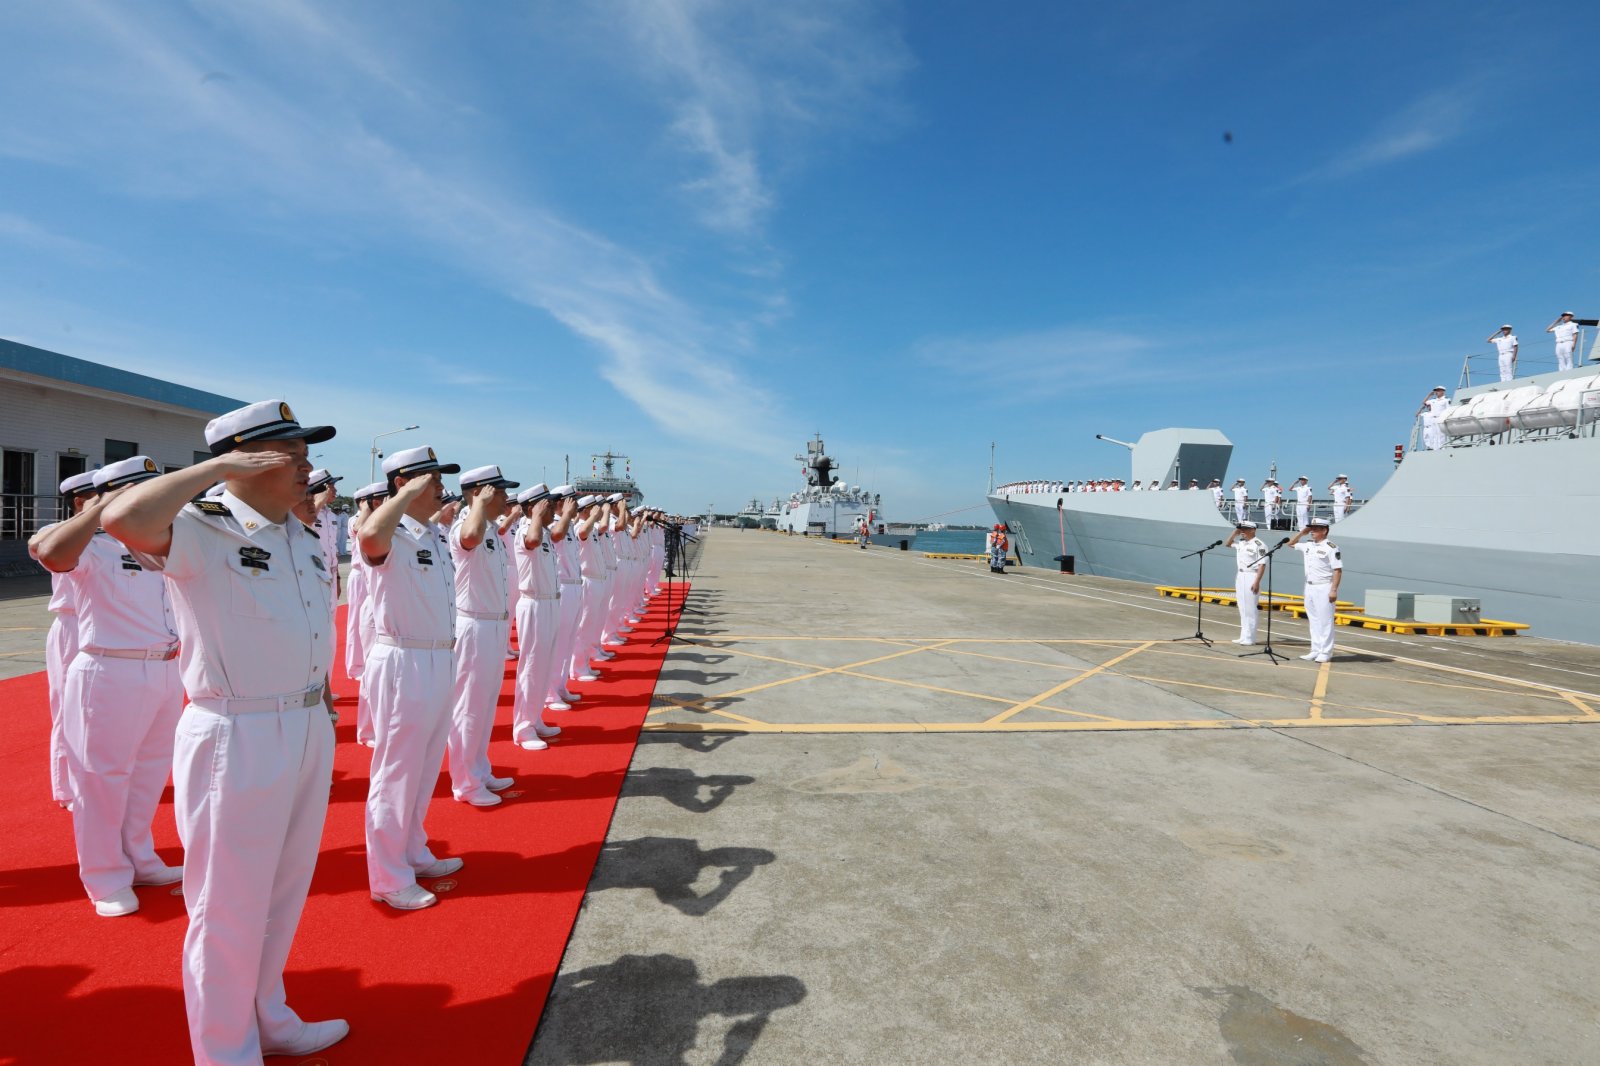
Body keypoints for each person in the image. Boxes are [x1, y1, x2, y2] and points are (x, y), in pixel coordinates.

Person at [102, 399, 348, 1063]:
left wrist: (319, 703)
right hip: (235, 736)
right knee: (226, 909)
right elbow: (120, 517)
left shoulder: (300, 534)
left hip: (303, 727)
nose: (305, 466)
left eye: (304, 453)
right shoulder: (203, 529)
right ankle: (225, 1052)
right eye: (290, 454)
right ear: (245, 459)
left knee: (283, 892)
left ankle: (269, 1016)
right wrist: (214, 470)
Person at [33, 456, 183, 918]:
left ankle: (138, 857)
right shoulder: (92, 547)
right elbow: (48, 549)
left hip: (164, 669)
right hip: (108, 671)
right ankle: (104, 876)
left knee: (147, 775)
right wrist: (99, 510)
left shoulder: (164, 545)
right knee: (102, 779)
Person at [358, 444, 465, 912]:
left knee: (424, 767)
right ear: (406, 483)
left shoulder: (433, 535)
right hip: (403, 662)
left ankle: (412, 847)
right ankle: (387, 873)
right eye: (433, 480)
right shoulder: (391, 531)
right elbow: (367, 538)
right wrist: (402, 496)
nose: (442, 488)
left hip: (439, 659)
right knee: (396, 770)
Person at [447, 464, 520, 805]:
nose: (505, 498)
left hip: (493, 623)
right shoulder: (468, 524)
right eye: (499, 491)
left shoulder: (490, 528)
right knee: (468, 707)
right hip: (474, 624)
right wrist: (477, 504)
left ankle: (479, 768)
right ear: (480, 493)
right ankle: (465, 782)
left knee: (486, 705)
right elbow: (469, 538)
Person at [27, 471, 98, 809]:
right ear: (80, 501)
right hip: (72, 627)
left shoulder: (114, 537)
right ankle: (67, 786)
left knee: (101, 711)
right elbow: (38, 546)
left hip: (105, 626)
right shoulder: (55, 533)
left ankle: (99, 777)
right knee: (67, 708)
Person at [511, 485, 566, 751]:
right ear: (533, 508)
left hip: (549, 603)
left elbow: (553, 535)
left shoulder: (543, 532)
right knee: (531, 667)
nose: (553, 509)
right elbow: (531, 542)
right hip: (533, 604)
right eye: (547, 505)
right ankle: (523, 728)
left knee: (544, 665)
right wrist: (534, 517)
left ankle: (534, 718)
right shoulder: (526, 530)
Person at [1287, 515, 1342, 663]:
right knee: (1314, 620)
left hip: (1324, 586)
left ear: (1324, 530)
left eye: (1315, 529)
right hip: (1309, 586)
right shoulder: (1308, 545)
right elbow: (1290, 544)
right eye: (1312, 529)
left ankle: (1326, 652)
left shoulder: (1331, 547)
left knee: (1325, 621)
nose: (1312, 532)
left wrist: (1334, 590)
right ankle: (1315, 649)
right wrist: (1302, 533)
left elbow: (1337, 570)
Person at [1224, 520, 1267, 646]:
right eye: (1241, 529)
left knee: (1250, 608)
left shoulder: (1259, 545)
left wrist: (1257, 581)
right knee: (1242, 607)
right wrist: (1235, 532)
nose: (1242, 531)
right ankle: (1243, 635)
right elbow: (1228, 544)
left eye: (1244, 529)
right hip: (1240, 575)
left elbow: (1262, 565)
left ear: (1253, 530)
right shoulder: (1241, 543)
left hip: (1251, 576)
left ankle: (1250, 637)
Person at [1416, 386, 1450, 451]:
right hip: (1433, 419)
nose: (1436, 392)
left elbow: (1448, 410)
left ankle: (1442, 448)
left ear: (1442, 391)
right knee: (1435, 435)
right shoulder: (1433, 401)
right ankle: (1435, 449)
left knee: (1441, 435)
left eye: (1438, 390)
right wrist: (1429, 395)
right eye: (1435, 391)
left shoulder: (1446, 400)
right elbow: (1424, 402)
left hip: (1441, 418)